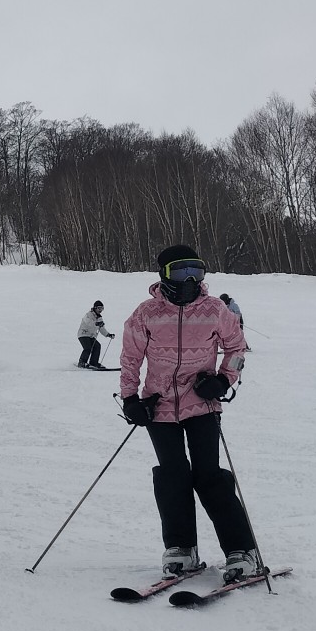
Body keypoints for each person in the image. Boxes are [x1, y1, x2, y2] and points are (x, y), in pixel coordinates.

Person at [119, 244, 258, 583]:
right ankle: (182, 547)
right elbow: (130, 359)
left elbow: (237, 348)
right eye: (180, 271)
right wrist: (130, 399)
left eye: (196, 271)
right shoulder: (146, 313)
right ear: (163, 275)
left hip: (202, 404)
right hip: (159, 407)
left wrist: (224, 379)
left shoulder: (215, 310)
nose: (189, 279)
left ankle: (242, 551)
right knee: (172, 475)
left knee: (209, 474)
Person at [76, 301, 114, 368]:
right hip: (83, 334)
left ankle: (93, 362)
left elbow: (101, 328)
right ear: (95, 308)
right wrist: (96, 324)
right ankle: (82, 362)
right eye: (99, 308)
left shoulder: (99, 317)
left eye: (102, 308)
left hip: (91, 336)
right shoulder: (88, 314)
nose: (100, 310)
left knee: (97, 346)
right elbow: (88, 323)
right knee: (88, 348)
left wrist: (108, 334)